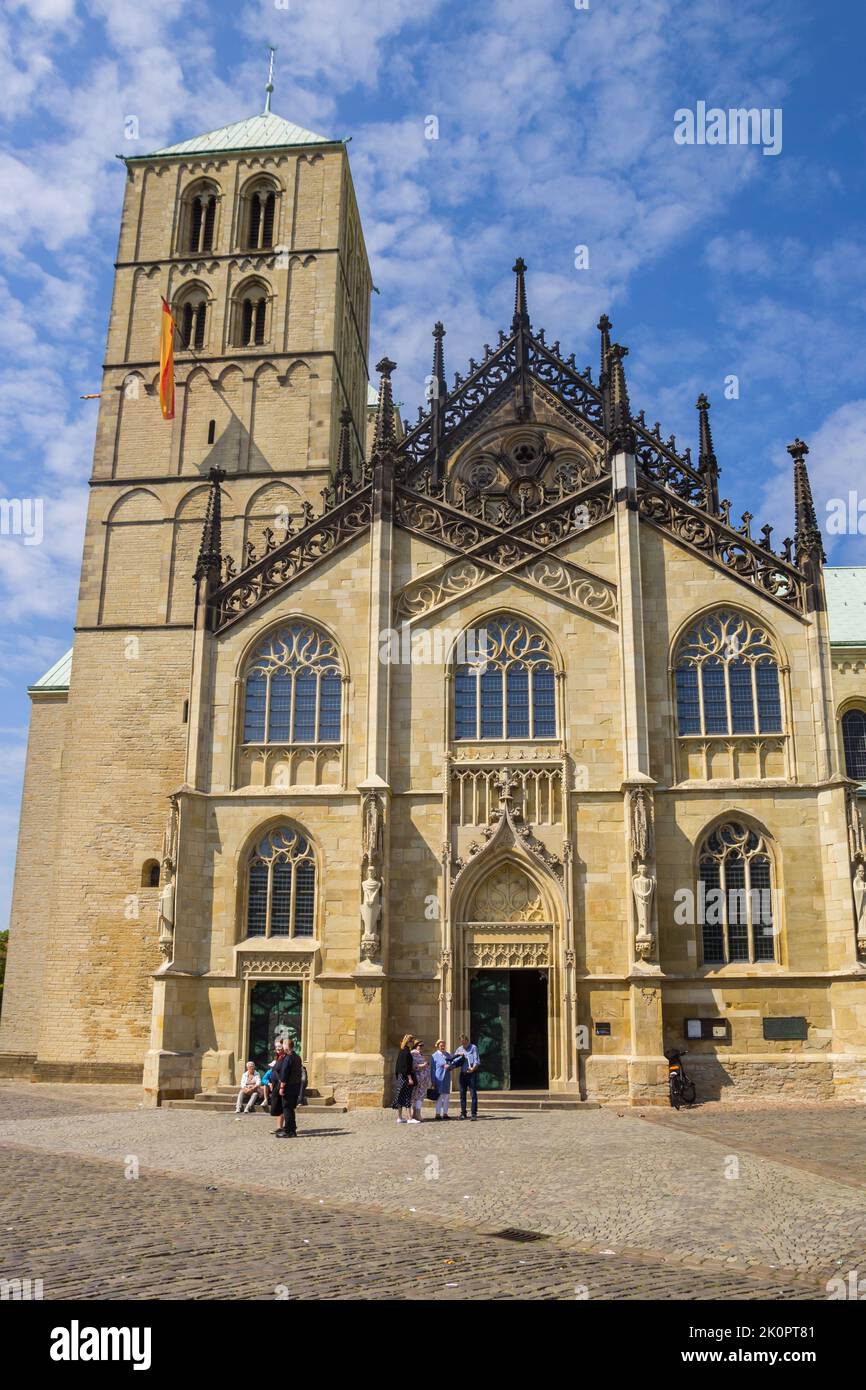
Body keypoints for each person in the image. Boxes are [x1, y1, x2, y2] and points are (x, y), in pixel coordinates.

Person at [274, 1037, 303, 1138]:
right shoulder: (297, 1057)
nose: (282, 1046)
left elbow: (285, 1074)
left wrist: (282, 1087)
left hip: (288, 1087)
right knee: (290, 1109)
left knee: (287, 1109)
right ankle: (292, 1130)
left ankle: (288, 1131)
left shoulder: (288, 1058)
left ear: (286, 1046)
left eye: (284, 1044)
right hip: (296, 1087)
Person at [453, 1033, 481, 1119]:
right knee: (462, 1094)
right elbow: (454, 1060)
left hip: (471, 1073)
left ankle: (473, 1114)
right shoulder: (459, 1049)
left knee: (473, 1094)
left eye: (464, 1043)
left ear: (467, 1041)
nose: (463, 1045)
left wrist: (473, 1068)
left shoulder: (473, 1047)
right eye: (461, 1043)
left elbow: (477, 1060)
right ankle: (463, 1113)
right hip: (463, 1074)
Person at [392, 1032, 416, 1123]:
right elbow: (406, 1067)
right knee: (407, 1096)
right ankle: (409, 1118)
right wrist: (410, 1078)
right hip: (406, 1077)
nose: (413, 1043)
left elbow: (398, 1066)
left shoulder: (401, 1051)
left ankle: (400, 1117)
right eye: (412, 1041)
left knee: (400, 1096)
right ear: (408, 1042)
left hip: (401, 1077)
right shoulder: (407, 1053)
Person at [431, 1039, 456, 1119]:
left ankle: (445, 1113)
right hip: (438, 1078)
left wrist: (450, 1066)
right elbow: (433, 1069)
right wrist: (433, 1081)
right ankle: (437, 1114)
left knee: (446, 1096)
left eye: (444, 1045)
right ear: (438, 1046)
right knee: (439, 1096)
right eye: (441, 1045)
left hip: (447, 1078)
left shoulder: (448, 1055)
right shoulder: (434, 1055)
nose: (443, 1047)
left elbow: (452, 1064)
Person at [410, 1039, 430, 1122]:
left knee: (419, 1096)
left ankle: (416, 1114)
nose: (421, 1047)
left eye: (422, 1045)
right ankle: (416, 1114)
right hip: (418, 1079)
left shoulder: (419, 1054)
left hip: (423, 1080)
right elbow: (415, 1066)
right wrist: (424, 1065)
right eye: (420, 1045)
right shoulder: (414, 1053)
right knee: (417, 1097)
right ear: (416, 1045)